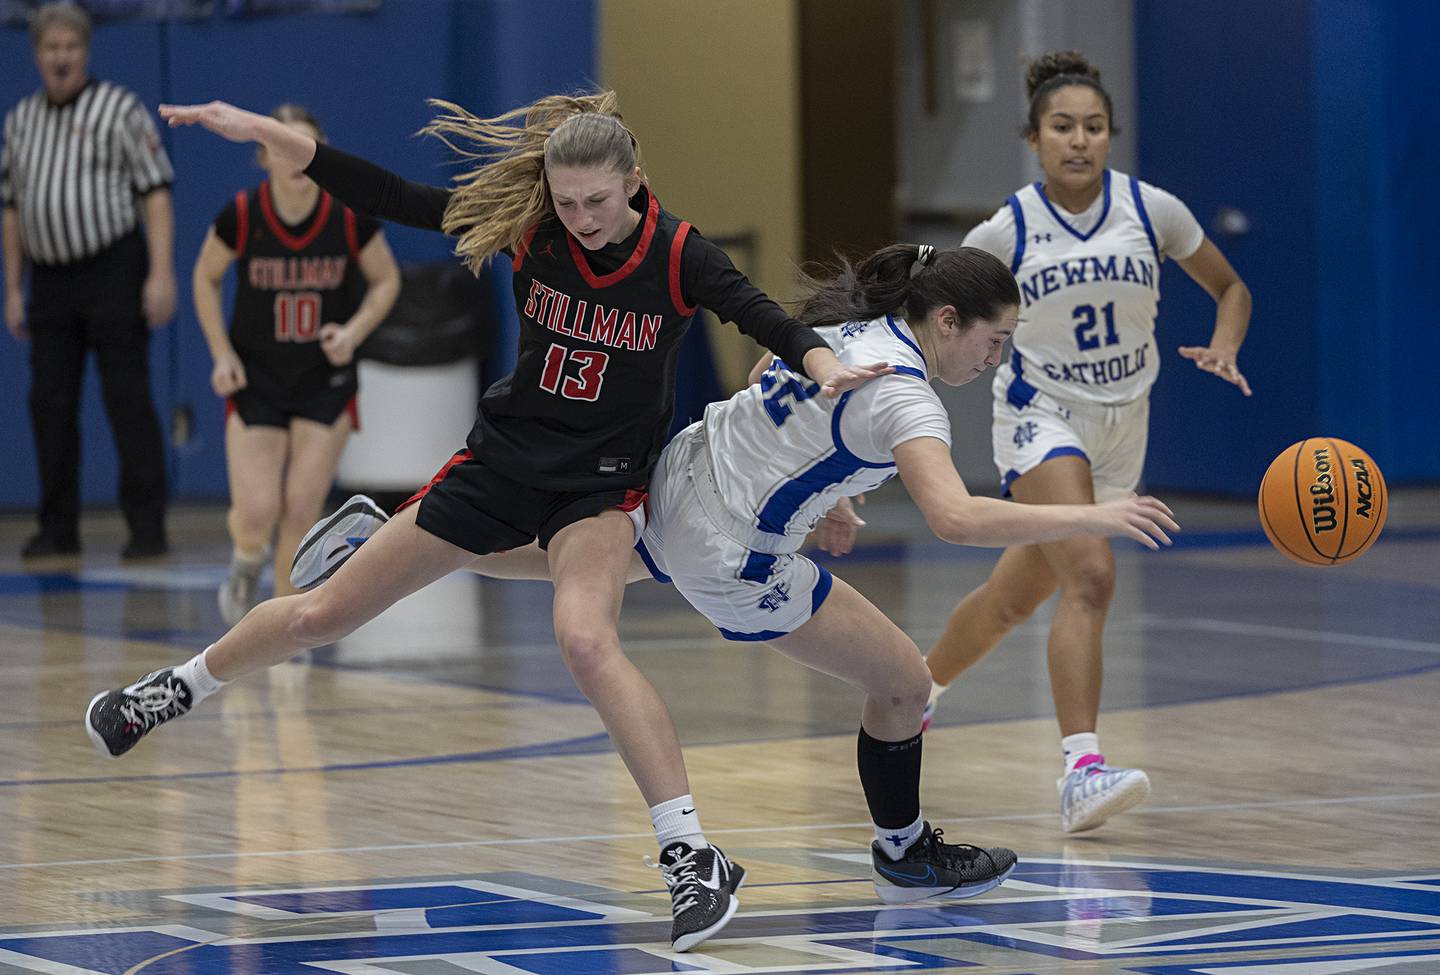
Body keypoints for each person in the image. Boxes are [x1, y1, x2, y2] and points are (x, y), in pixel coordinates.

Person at [83, 90, 887, 952]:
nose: (579, 218)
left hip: (602, 484)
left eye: (596, 201)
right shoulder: (531, 228)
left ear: (635, 183)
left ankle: (690, 853)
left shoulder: (679, 253)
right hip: (501, 463)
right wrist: (267, 135)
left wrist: (819, 362)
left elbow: (759, 312)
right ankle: (172, 688)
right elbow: (387, 195)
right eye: (566, 200)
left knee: (585, 637)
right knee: (320, 612)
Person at [290, 243, 1178, 911]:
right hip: (732, 549)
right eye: (995, 339)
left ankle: (395, 537)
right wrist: (1095, 513)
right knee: (905, 682)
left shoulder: (849, 331)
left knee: (588, 566)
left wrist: (821, 491)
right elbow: (955, 517)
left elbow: (766, 366)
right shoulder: (906, 393)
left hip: (684, 467)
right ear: (947, 322)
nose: (997, 357)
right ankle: (905, 854)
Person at [921, 51, 1253, 834]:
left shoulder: (1153, 211)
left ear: (1111, 137)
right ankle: (1082, 769)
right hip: (1043, 418)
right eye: (1062, 127)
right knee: (1093, 574)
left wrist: (1225, 342)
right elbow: (925, 299)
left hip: (1121, 427)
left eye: (1094, 128)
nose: (1080, 140)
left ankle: (914, 690)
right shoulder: (1007, 228)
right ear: (1034, 138)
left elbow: (1231, 287)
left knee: (1011, 599)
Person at [194, 104, 400, 625]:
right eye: (279, 146)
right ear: (262, 156)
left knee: (302, 509)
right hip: (258, 375)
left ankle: (288, 627)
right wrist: (221, 352)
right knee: (258, 511)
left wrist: (353, 332)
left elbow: (386, 280)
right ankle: (245, 561)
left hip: (322, 378)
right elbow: (205, 277)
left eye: (301, 145)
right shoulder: (242, 215)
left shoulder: (348, 215)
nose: (293, 158)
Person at [1, 1, 176, 559]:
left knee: (127, 399)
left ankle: (146, 527)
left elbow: (156, 193)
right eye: (51, 48)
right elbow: (12, 209)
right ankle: (58, 528)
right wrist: (12, 287)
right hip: (50, 279)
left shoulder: (119, 108)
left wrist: (160, 273)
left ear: (85, 51)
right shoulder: (20, 120)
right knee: (49, 405)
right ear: (36, 55)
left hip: (113, 269)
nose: (60, 57)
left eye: (70, 47)